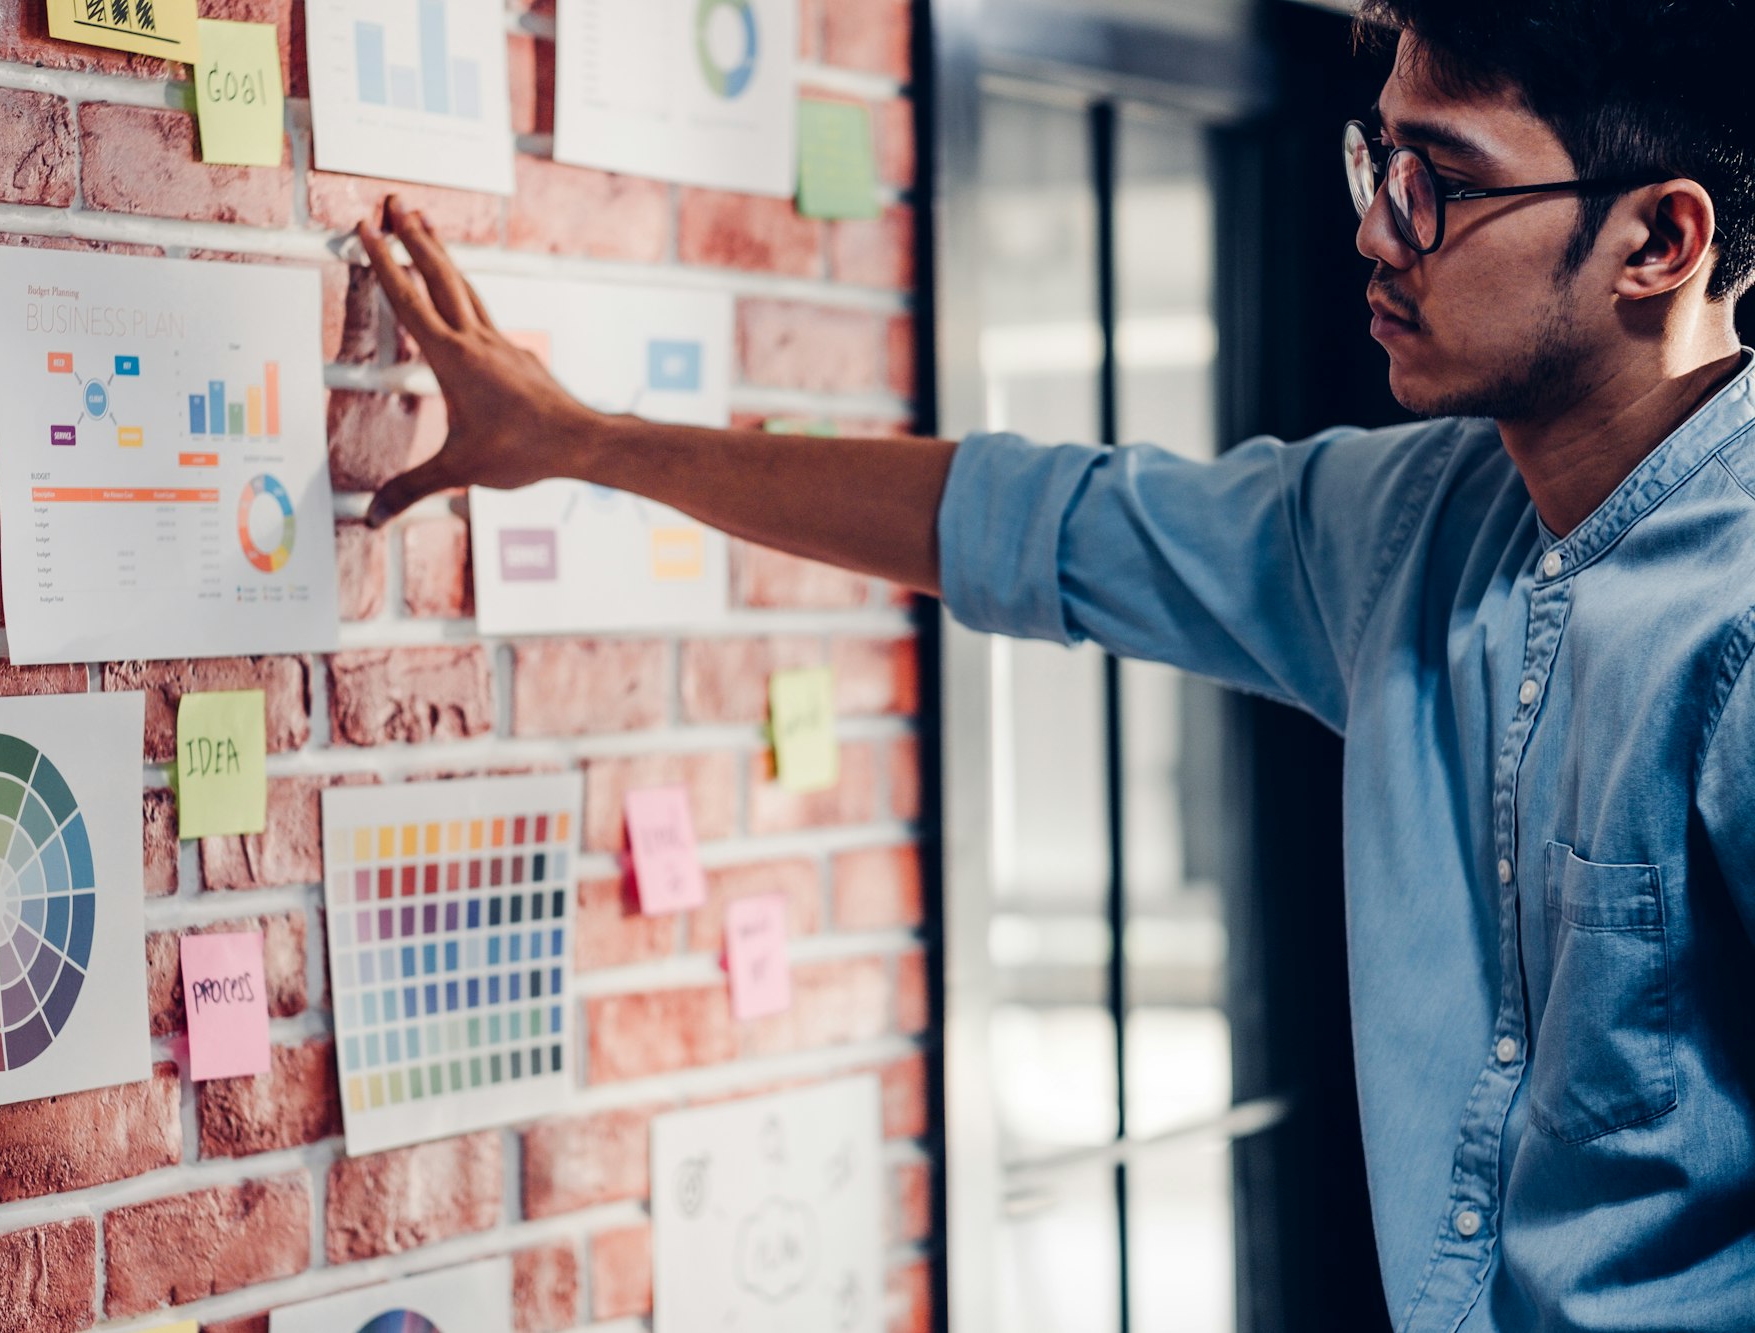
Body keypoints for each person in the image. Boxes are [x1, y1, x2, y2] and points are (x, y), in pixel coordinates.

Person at [354, 0, 1755, 1325]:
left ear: (1659, 241)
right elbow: (1036, 521)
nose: (1380, 233)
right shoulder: (1413, 526)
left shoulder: (1734, 626)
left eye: (1443, 178)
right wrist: (587, 442)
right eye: (1378, 159)